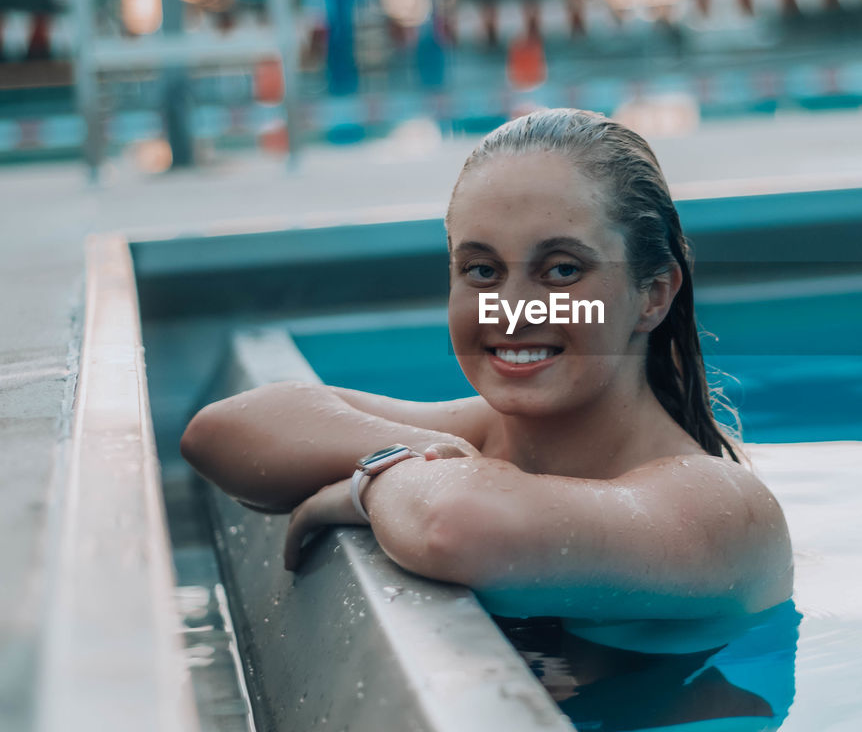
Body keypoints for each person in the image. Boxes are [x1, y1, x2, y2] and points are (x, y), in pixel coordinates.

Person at [181, 107, 794, 622]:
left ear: (653, 294)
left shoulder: (722, 503)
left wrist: (366, 485)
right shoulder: (471, 438)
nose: (513, 312)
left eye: (562, 270)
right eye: (482, 271)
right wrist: (425, 452)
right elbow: (222, 431)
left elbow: (460, 524)